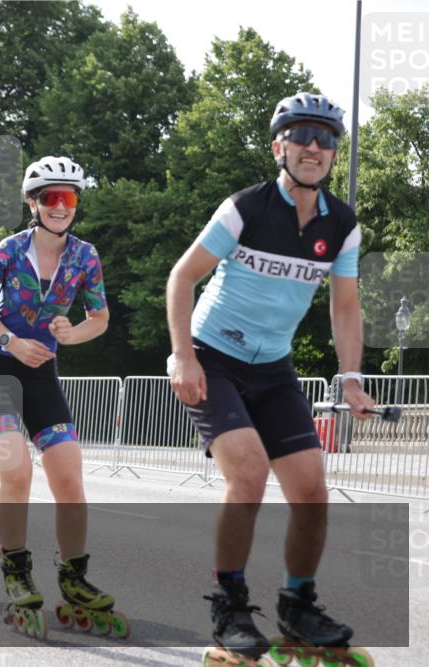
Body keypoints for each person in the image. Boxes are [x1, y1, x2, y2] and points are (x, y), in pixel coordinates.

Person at [166, 92, 376, 662]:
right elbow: (182, 278)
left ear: (334, 152)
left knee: (311, 488)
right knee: (251, 475)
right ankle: (229, 606)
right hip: (213, 358)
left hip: (274, 368)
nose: (314, 147)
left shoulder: (343, 225)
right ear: (279, 145)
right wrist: (182, 355)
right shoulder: (245, 208)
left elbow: (346, 306)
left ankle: (297, 604)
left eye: (326, 138)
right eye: (302, 136)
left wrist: (351, 377)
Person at [0, 156, 125, 638]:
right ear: (33, 204)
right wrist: (11, 340)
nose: (60, 206)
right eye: (50, 198)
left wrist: (71, 336)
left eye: (69, 198)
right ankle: (17, 573)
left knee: (69, 477)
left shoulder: (86, 256)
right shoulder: (9, 250)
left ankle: (73, 580)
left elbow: (98, 317)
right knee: (17, 470)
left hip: (41, 376)